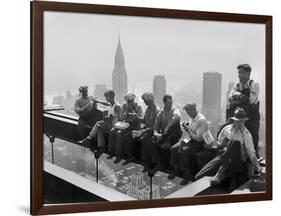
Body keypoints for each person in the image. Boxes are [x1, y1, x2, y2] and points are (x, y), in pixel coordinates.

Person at [194, 108, 260, 188]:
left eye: (242, 121)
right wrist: (221, 144)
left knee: (235, 143)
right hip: (223, 156)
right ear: (234, 121)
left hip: (237, 161)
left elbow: (251, 154)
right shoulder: (226, 129)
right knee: (198, 176)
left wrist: (258, 168)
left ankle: (219, 176)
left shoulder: (246, 135)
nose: (240, 124)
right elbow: (218, 144)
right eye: (238, 121)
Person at [169, 103, 217, 185]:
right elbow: (190, 132)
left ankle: (188, 173)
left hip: (200, 143)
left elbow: (199, 138)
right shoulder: (192, 118)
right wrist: (185, 130)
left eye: (188, 110)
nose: (187, 113)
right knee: (174, 148)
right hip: (190, 139)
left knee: (183, 150)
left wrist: (188, 131)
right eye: (186, 110)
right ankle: (176, 169)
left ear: (194, 109)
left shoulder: (201, 120)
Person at [226, 64, 260, 158]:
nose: (239, 75)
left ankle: (254, 162)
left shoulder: (254, 84)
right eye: (238, 72)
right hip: (238, 117)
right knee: (225, 130)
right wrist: (242, 96)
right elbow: (229, 98)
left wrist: (237, 96)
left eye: (241, 72)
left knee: (253, 137)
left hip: (251, 118)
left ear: (248, 73)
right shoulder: (236, 85)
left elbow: (252, 100)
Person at [78, 90, 121, 157]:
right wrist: (97, 101)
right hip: (108, 123)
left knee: (98, 124)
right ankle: (101, 147)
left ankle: (89, 139)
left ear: (109, 97)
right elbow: (105, 103)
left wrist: (111, 118)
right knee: (99, 127)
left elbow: (120, 118)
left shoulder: (117, 106)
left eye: (106, 97)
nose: (106, 98)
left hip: (113, 126)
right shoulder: (111, 104)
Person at [122, 92, 160, 167]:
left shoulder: (156, 110)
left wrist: (145, 130)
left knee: (145, 140)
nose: (144, 102)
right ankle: (130, 156)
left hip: (151, 131)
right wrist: (136, 117)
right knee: (129, 136)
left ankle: (147, 161)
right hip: (146, 129)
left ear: (150, 100)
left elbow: (156, 126)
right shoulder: (148, 109)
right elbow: (144, 120)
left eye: (145, 100)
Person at [150, 94, 182, 175]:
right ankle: (159, 163)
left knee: (175, 124)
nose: (170, 104)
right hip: (164, 134)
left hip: (174, 134)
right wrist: (157, 134)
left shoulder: (175, 109)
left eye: (171, 102)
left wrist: (168, 127)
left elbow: (177, 117)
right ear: (164, 102)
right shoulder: (160, 113)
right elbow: (155, 128)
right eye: (169, 103)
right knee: (152, 142)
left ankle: (171, 167)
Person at [107, 93, 143, 164]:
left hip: (134, 126)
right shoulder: (124, 106)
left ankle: (121, 155)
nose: (129, 103)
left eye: (130, 101)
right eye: (128, 101)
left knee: (120, 134)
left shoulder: (138, 107)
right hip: (125, 125)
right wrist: (126, 113)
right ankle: (112, 151)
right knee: (112, 131)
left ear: (133, 100)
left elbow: (140, 119)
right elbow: (121, 118)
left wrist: (132, 113)